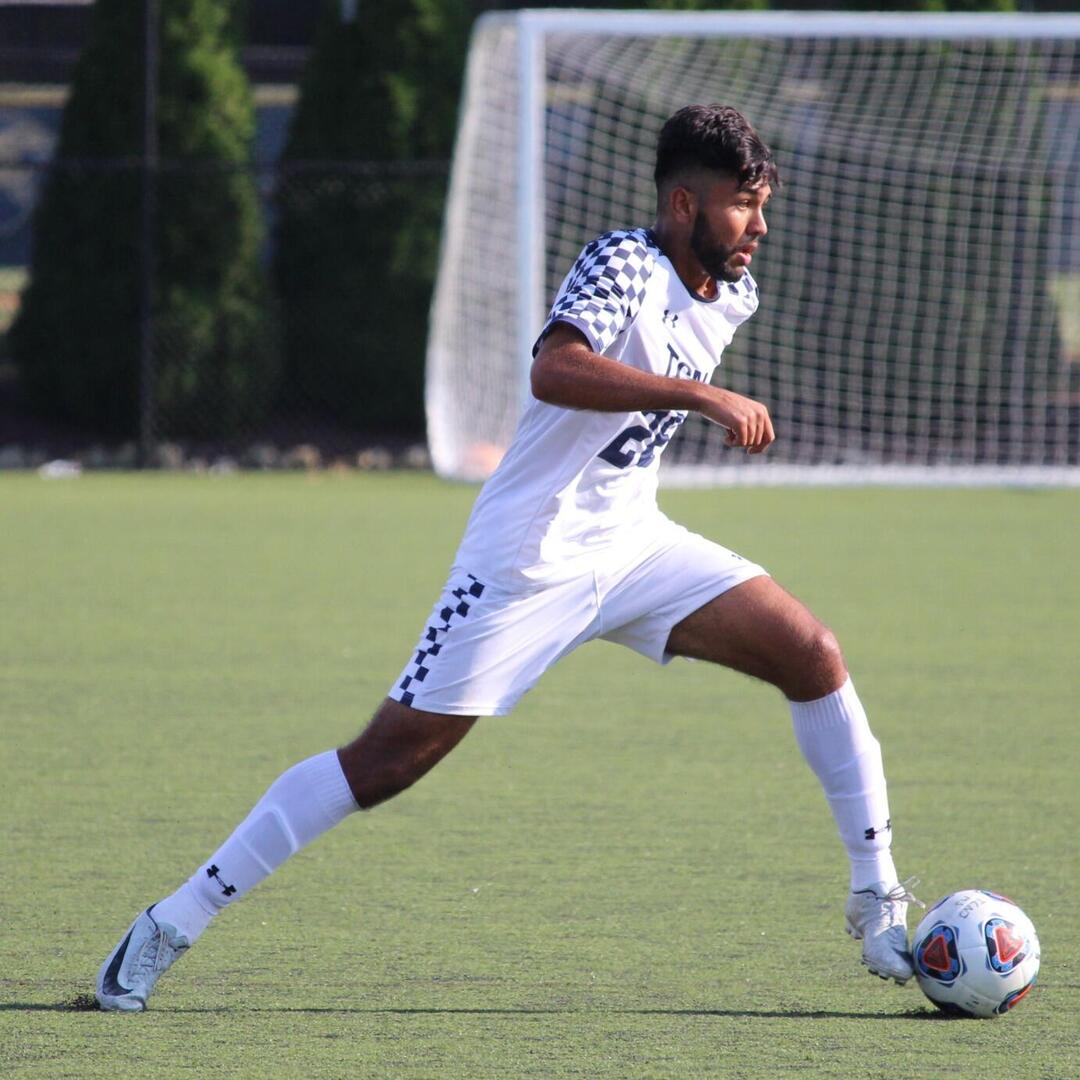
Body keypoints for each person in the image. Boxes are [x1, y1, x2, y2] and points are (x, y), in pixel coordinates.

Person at [95, 104, 920, 1012]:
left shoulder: (735, 292)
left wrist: (695, 397)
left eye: (765, 205)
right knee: (384, 763)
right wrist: (701, 394)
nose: (760, 226)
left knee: (814, 654)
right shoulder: (625, 262)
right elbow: (555, 370)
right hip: (527, 560)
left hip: (636, 543)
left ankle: (877, 897)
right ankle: (171, 921)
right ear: (684, 203)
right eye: (743, 206)